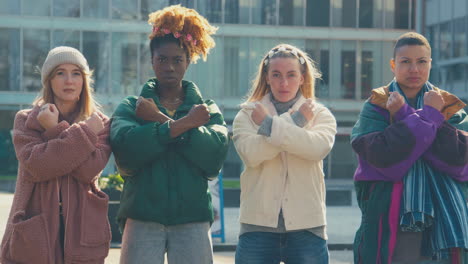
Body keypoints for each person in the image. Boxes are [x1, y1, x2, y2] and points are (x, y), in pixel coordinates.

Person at [109, 5, 229, 264]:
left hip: (192, 220)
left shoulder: (206, 110)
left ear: (188, 61)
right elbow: (126, 156)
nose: (170, 67)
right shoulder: (132, 107)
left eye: (177, 60)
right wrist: (185, 124)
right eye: (162, 59)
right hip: (141, 218)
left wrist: (159, 120)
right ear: (151, 60)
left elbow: (213, 161)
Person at [351, 32, 468, 264]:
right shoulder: (377, 104)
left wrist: (406, 115)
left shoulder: (448, 105)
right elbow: (385, 159)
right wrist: (430, 118)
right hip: (392, 215)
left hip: (446, 218)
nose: (414, 69)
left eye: (421, 61)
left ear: (430, 64)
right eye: (406, 62)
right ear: (394, 65)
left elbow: (459, 161)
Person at [0, 46, 112, 264]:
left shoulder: (100, 124)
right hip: (35, 232)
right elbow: (38, 166)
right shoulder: (27, 120)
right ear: (49, 81)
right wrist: (75, 134)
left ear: (84, 81)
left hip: (82, 231)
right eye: (60, 73)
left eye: (76, 73)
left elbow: (88, 170)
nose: (68, 80)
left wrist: (55, 130)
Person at [232, 44, 337, 264]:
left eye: (291, 75)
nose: (284, 83)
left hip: (307, 227)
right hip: (257, 227)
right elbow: (252, 154)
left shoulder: (320, 114)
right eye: (276, 75)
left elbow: (316, 149)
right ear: (267, 78)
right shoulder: (248, 113)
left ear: (302, 78)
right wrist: (296, 122)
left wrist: (268, 127)